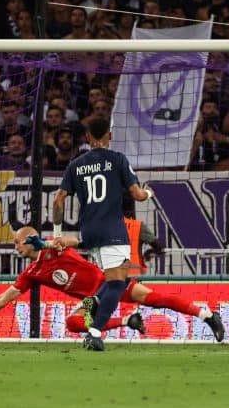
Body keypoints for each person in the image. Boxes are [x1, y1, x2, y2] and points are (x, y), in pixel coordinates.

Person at [0, 227, 225, 342]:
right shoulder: (33, 272)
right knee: (74, 323)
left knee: (155, 298)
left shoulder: (53, 248)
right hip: (93, 298)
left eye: (17, 242)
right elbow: (5, 297)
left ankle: (207, 315)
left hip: (109, 281)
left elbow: (72, 240)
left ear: (29, 240)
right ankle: (126, 321)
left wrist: (47, 242)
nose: (15, 247)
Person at [52, 116, 154, 351]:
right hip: (113, 230)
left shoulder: (75, 165)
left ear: (88, 138)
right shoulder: (117, 159)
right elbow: (137, 194)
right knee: (118, 284)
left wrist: (58, 233)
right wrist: (149, 194)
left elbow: (58, 200)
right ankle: (95, 333)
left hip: (89, 232)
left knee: (113, 281)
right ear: (110, 136)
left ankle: (92, 307)